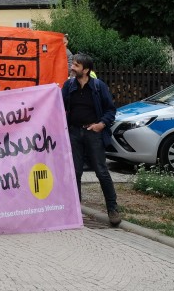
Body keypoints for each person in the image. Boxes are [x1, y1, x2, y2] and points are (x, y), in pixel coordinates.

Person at [62, 53, 121, 226]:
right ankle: (75, 210)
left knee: (101, 171)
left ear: (86, 70)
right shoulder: (69, 85)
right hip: (74, 133)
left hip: (93, 133)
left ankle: (112, 209)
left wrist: (101, 125)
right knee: (75, 172)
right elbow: (57, 103)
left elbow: (110, 110)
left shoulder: (98, 86)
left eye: (76, 65)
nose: (72, 67)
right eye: (73, 64)